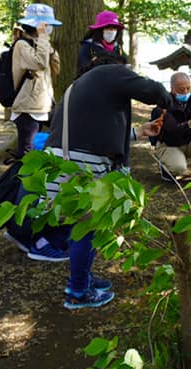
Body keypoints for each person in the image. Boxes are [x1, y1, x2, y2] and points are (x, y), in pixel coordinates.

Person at [43, 60, 171, 309]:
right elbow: (152, 90)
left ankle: (83, 279)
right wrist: (168, 100)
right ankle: (78, 291)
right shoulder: (111, 72)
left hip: (63, 160)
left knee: (83, 226)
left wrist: (138, 132)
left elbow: (96, 130)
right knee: (87, 227)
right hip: (82, 163)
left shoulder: (79, 86)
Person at [10, 3, 61, 159]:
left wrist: (46, 45)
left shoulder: (41, 44)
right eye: (46, 25)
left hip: (42, 105)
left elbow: (55, 69)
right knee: (27, 152)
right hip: (27, 107)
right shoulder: (21, 45)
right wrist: (43, 38)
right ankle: (18, 183)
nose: (49, 28)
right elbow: (39, 63)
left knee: (37, 150)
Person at [76, 10, 126, 77]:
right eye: (108, 27)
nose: (112, 31)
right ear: (99, 29)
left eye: (114, 28)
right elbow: (82, 73)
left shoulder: (118, 48)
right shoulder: (88, 47)